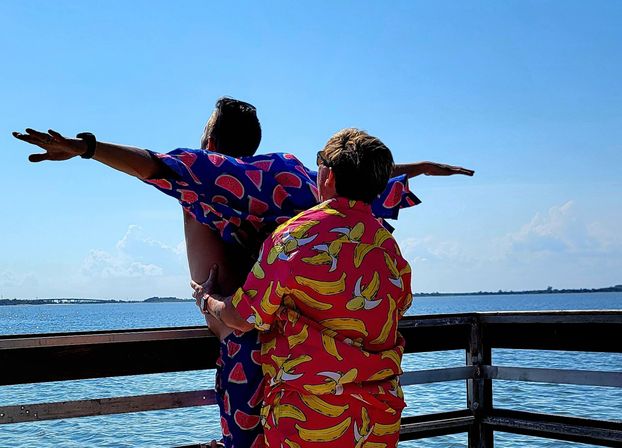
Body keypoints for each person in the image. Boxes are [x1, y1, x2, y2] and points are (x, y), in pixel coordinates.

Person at [13, 101, 472, 447]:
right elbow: (356, 185)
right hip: (362, 395)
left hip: (268, 357)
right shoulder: (302, 180)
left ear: (209, 144)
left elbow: (155, 165)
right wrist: (413, 169)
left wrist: (87, 149)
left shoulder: (229, 183)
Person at [193, 128, 415, 447]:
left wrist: (208, 300)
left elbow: (242, 316)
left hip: (309, 420)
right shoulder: (388, 247)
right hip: (377, 421)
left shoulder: (295, 238)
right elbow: (399, 304)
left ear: (327, 175)